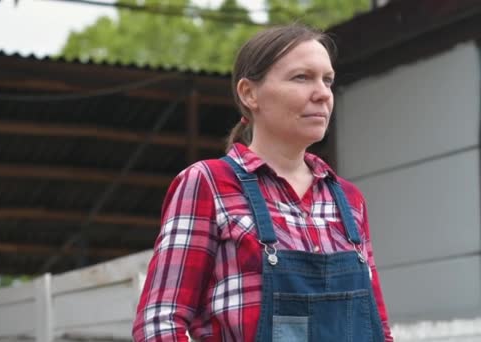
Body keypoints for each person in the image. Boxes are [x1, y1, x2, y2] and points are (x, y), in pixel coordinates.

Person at [132, 23, 393, 342]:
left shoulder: (348, 200)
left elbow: (378, 328)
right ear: (249, 93)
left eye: (327, 80)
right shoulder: (208, 184)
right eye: (302, 77)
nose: (323, 93)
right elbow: (160, 324)